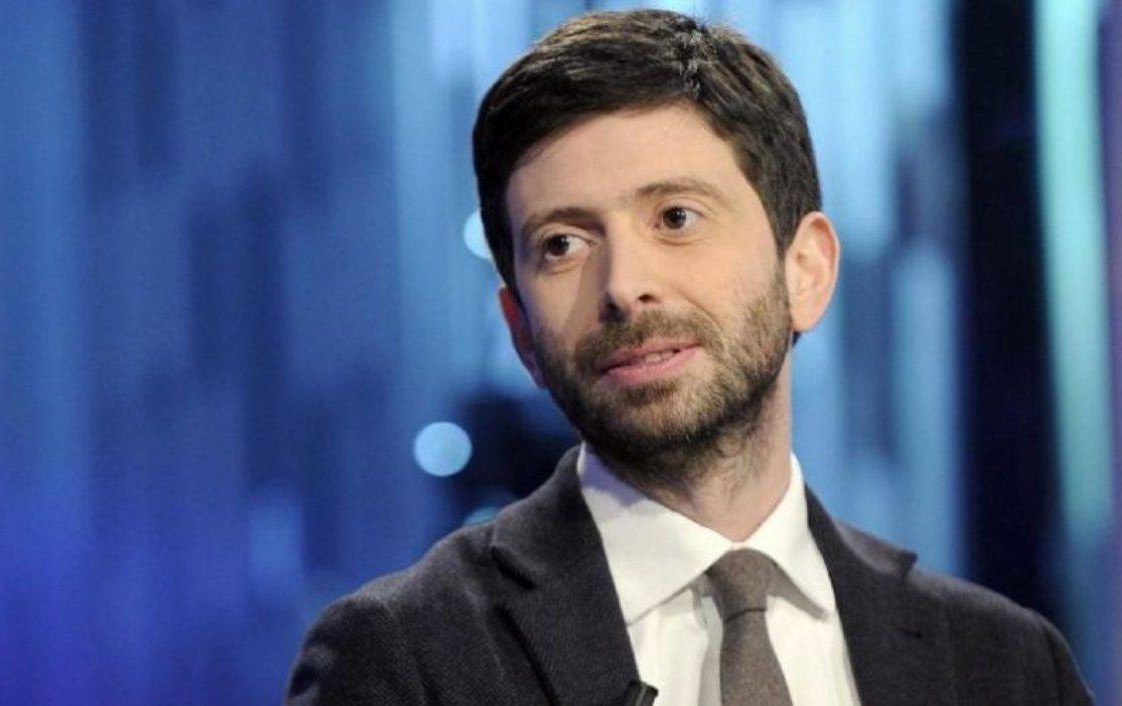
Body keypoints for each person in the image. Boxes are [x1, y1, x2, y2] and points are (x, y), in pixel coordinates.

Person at [285, 9, 1092, 705]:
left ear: (806, 271)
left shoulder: (1003, 663)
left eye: (676, 217)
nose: (623, 286)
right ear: (521, 330)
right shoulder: (405, 661)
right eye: (562, 244)